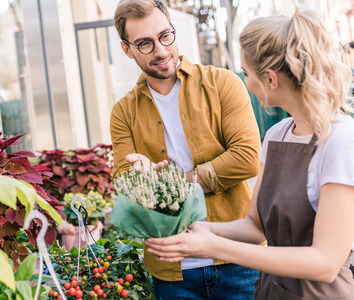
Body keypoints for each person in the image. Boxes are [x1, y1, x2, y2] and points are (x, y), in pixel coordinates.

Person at [145, 10, 354, 299]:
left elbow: (325, 263)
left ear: (270, 79)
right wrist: (196, 229)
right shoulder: (277, 135)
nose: (245, 82)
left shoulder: (340, 141)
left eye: (246, 73)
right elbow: (255, 228)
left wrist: (214, 247)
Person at [110, 0, 262, 299]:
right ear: (127, 49)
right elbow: (123, 181)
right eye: (144, 44)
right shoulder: (123, 112)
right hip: (171, 268)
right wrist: (137, 179)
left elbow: (246, 160)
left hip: (239, 259)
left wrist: (171, 185)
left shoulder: (223, 84)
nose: (161, 50)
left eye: (165, 36)